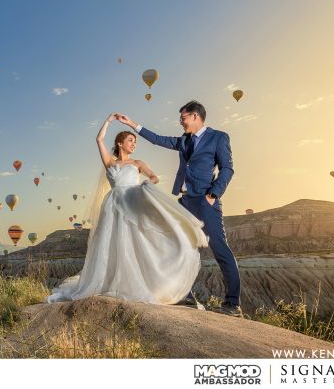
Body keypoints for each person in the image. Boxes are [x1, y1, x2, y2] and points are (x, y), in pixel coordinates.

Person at [46, 113, 208, 305]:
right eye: (130, 140)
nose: (134, 144)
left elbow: (154, 177)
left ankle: (140, 283)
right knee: (110, 243)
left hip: (132, 202)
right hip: (112, 204)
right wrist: (108, 121)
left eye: (135, 142)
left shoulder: (138, 163)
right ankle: (108, 283)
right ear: (120, 143)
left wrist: (147, 184)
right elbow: (99, 140)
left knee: (135, 241)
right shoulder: (110, 163)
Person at [116, 100, 242, 317]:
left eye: (183, 118)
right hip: (184, 202)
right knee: (176, 246)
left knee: (219, 249)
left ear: (195, 116)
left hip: (205, 201)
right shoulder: (184, 140)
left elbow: (227, 169)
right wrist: (132, 124)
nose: (181, 122)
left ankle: (233, 304)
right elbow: (158, 139)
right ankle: (186, 296)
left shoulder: (219, 137)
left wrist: (213, 195)